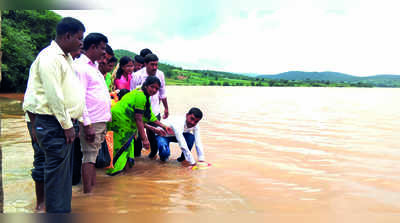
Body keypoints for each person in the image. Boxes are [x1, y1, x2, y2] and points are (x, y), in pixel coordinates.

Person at [22, 17, 85, 213]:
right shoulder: (49, 57)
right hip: (53, 124)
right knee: (55, 176)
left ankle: (57, 210)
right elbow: (54, 95)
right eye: (79, 38)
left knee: (61, 178)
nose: (81, 43)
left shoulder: (64, 57)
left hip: (61, 123)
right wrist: (67, 125)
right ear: (67, 36)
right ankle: (52, 211)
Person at [106, 76, 173, 176]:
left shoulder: (145, 96)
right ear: (146, 85)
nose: (154, 90)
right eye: (152, 87)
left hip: (128, 125)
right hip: (120, 124)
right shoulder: (141, 96)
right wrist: (145, 139)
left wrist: (163, 126)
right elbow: (138, 119)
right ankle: (113, 175)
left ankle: (124, 176)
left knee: (127, 150)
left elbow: (149, 116)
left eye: (156, 88)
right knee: (119, 151)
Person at [74, 32, 110, 193]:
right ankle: (88, 194)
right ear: (93, 47)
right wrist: (87, 124)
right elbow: (79, 97)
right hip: (92, 121)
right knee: (88, 157)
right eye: (102, 48)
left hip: (100, 120)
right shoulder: (81, 68)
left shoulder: (93, 67)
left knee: (93, 157)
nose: (104, 52)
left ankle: (92, 191)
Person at [130, 53, 169, 159]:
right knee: (137, 136)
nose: (155, 67)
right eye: (152, 65)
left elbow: (163, 93)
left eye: (156, 64)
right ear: (145, 64)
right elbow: (132, 93)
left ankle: (152, 156)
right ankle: (137, 157)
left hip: (154, 111)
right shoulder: (137, 75)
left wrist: (166, 108)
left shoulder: (160, 74)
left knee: (153, 136)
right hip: (138, 111)